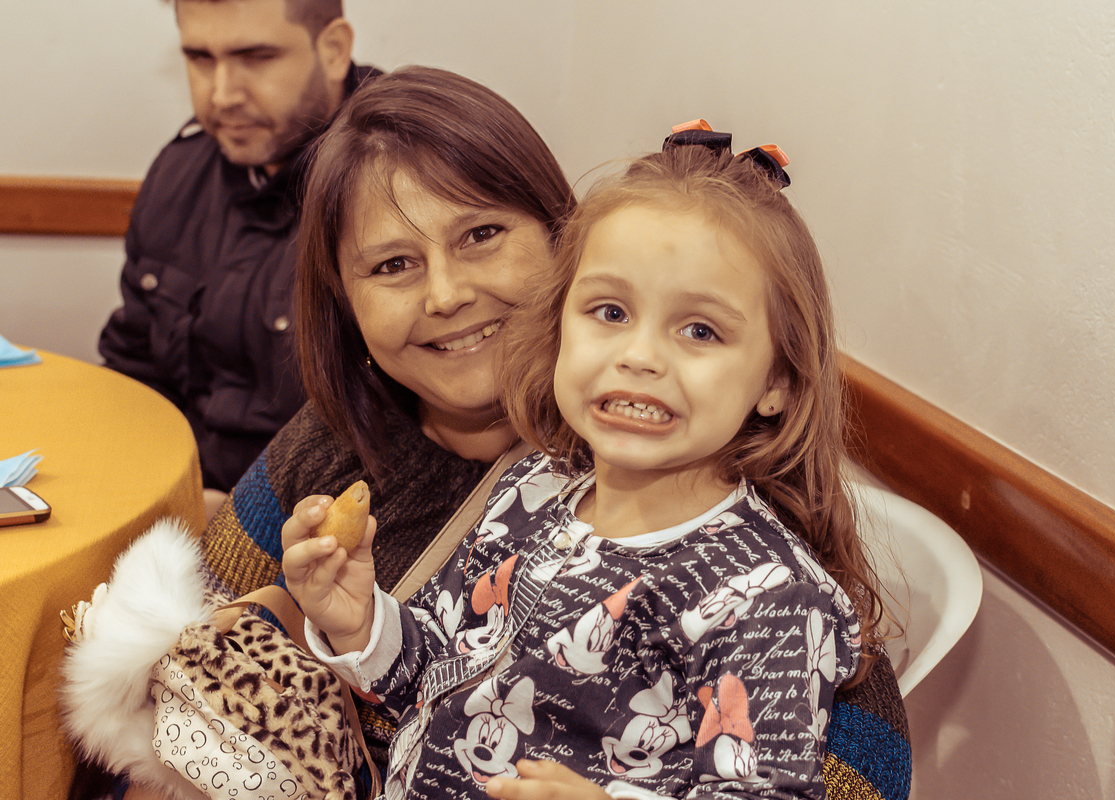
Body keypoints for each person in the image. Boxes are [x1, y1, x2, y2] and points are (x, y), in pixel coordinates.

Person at [282, 126, 897, 799]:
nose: (639, 356)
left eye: (700, 330)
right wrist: (360, 622)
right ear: (558, 326)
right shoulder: (533, 486)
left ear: (777, 380)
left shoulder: (767, 598)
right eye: (610, 311)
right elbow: (437, 666)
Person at [97, 0, 378, 514]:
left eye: (256, 57)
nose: (222, 94)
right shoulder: (179, 173)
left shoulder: (401, 183)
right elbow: (133, 370)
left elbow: (423, 439)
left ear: (334, 50)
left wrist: (237, 523)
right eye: (201, 58)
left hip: (325, 534)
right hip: (174, 502)